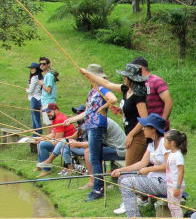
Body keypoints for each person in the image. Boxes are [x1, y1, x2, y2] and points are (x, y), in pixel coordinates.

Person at [65, 64, 118, 201]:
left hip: (97, 126)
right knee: (96, 157)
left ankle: (98, 189)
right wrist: (71, 119)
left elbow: (113, 99)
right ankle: (98, 187)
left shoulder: (101, 88)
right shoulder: (92, 91)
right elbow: (87, 112)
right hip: (90, 126)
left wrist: (104, 108)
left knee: (94, 157)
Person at [81, 62, 149, 167]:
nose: (123, 78)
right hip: (131, 134)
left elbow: (144, 118)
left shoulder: (138, 95)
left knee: (130, 170)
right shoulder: (126, 90)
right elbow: (107, 84)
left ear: (131, 79)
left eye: (125, 76)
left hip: (138, 136)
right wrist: (122, 111)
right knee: (131, 169)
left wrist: (131, 135)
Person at [110, 113, 168, 219]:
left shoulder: (164, 143)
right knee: (122, 178)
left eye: (145, 126)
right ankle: (132, 214)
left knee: (126, 182)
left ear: (153, 129)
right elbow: (141, 163)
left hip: (165, 184)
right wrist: (121, 170)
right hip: (154, 179)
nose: (142, 129)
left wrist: (149, 169)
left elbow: (168, 166)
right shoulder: (152, 144)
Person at [130, 56, 173, 129]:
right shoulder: (137, 83)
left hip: (158, 128)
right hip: (144, 127)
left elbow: (168, 102)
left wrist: (162, 121)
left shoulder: (156, 81)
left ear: (141, 68)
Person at [35, 103, 76, 177]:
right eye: (47, 112)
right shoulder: (55, 118)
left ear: (56, 110)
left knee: (43, 144)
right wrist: (41, 138)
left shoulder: (59, 119)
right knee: (41, 142)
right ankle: (41, 165)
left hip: (68, 144)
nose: (48, 114)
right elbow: (53, 134)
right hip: (62, 142)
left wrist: (44, 140)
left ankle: (46, 170)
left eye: (49, 112)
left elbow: (57, 141)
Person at [163, 130, 187, 219]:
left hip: (176, 186)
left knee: (175, 206)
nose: (164, 143)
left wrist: (177, 187)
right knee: (170, 205)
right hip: (170, 184)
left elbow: (181, 171)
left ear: (172, 143)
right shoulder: (171, 154)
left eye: (165, 141)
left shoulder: (178, 155)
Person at [38, 57, 57, 125]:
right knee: (48, 124)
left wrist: (41, 84)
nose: (41, 65)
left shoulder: (49, 75)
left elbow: (49, 91)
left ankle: (49, 136)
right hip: (45, 102)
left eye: (44, 64)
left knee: (49, 124)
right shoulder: (46, 75)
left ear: (48, 64)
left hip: (49, 103)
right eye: (40, 64)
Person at [26, 62, 43, 137]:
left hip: (34, 99)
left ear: (37, 69)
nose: (31, 69)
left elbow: (30, 90)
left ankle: (38, 136)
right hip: (39, 98)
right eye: (31, 68)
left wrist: (26, 90)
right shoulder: (40, 77)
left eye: (33, 68)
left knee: (35, 120)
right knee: (35, 119)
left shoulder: (34, 78)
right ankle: (35, 136)